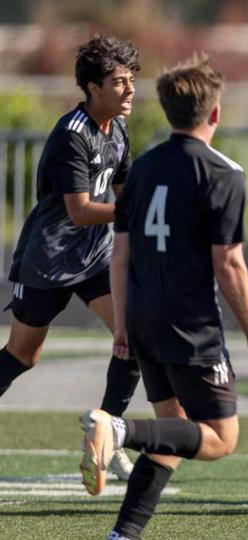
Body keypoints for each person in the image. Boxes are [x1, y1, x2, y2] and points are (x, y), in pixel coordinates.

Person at [78, 53, 248, 540]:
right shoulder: (224, 173)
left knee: (175, 432)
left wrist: (123, 325)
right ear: (215, 113)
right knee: (220, 438)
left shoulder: (142, 168)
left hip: (143, 316)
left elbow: (119, 254)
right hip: (188, 325)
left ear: (169, 111)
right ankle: (118, 430)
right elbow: (228, 262)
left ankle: (123, 534)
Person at [0, 34, 141, 480]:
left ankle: (105, 434)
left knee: (131, 338)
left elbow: (125, 194)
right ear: (93, 87)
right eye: (119, 82)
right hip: (48, 260)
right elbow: (80, 211)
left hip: (97, 258)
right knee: (23, 356)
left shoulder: (118, 129)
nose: (130, 90)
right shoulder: (71, 134)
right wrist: (138, 212)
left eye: (131, 80)